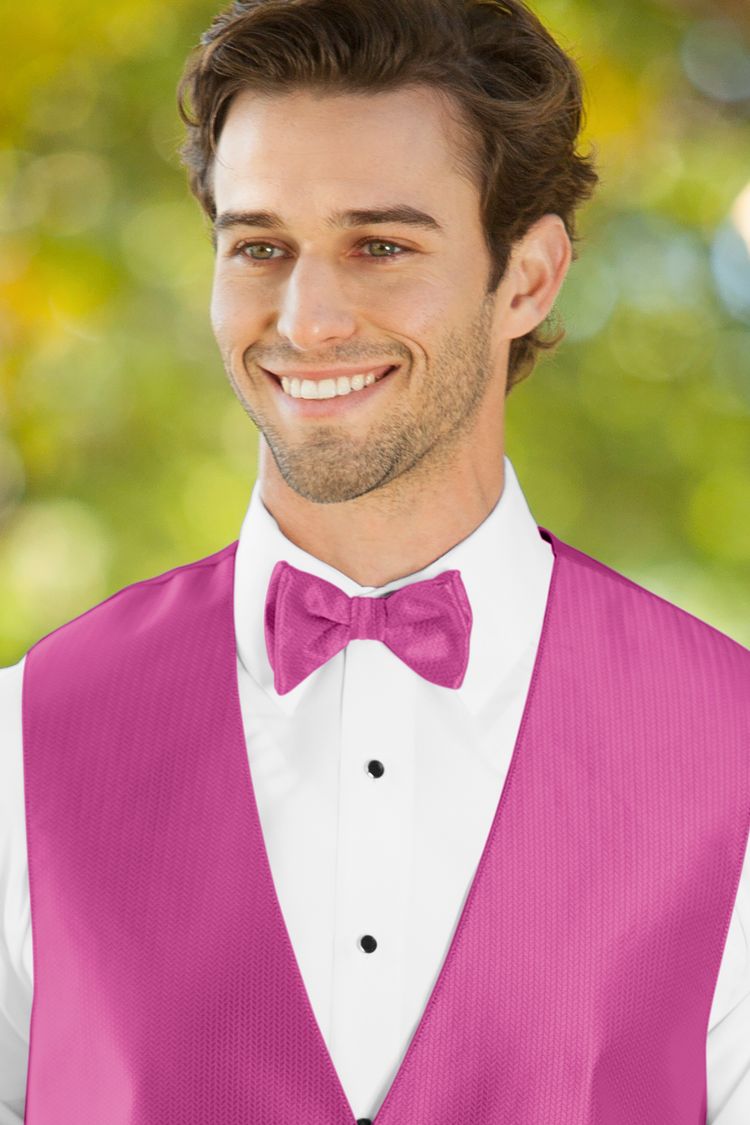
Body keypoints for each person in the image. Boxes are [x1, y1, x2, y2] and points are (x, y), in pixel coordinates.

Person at [1, 0, 748, 1120]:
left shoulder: (730, 748)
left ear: (530, 278)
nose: (307, 319)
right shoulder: (23, 742)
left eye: (380, 245)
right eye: (260, 247)